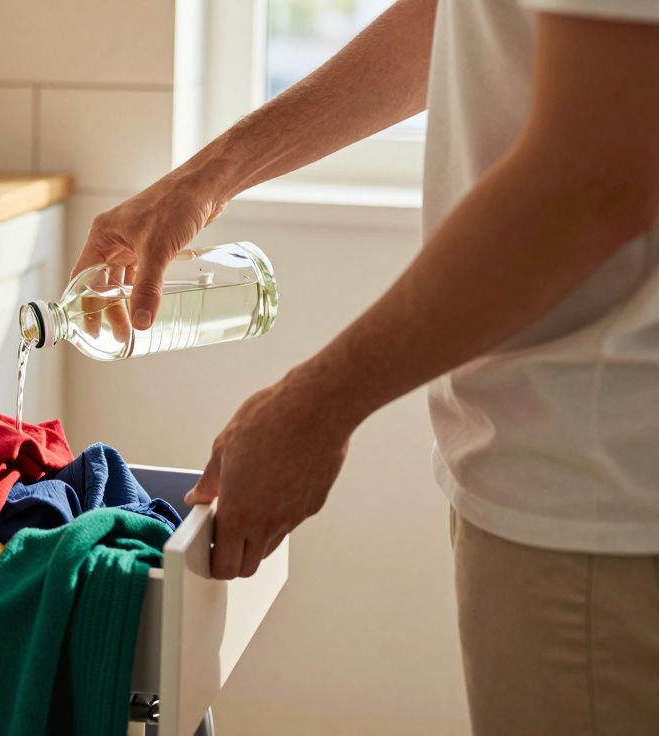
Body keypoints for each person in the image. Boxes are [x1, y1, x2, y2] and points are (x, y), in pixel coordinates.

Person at [71, 0, 659, 732]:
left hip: (603, 495)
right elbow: (449, 19)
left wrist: (314, 406)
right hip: (558, 468)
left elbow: (592, 176)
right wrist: (206, 178)